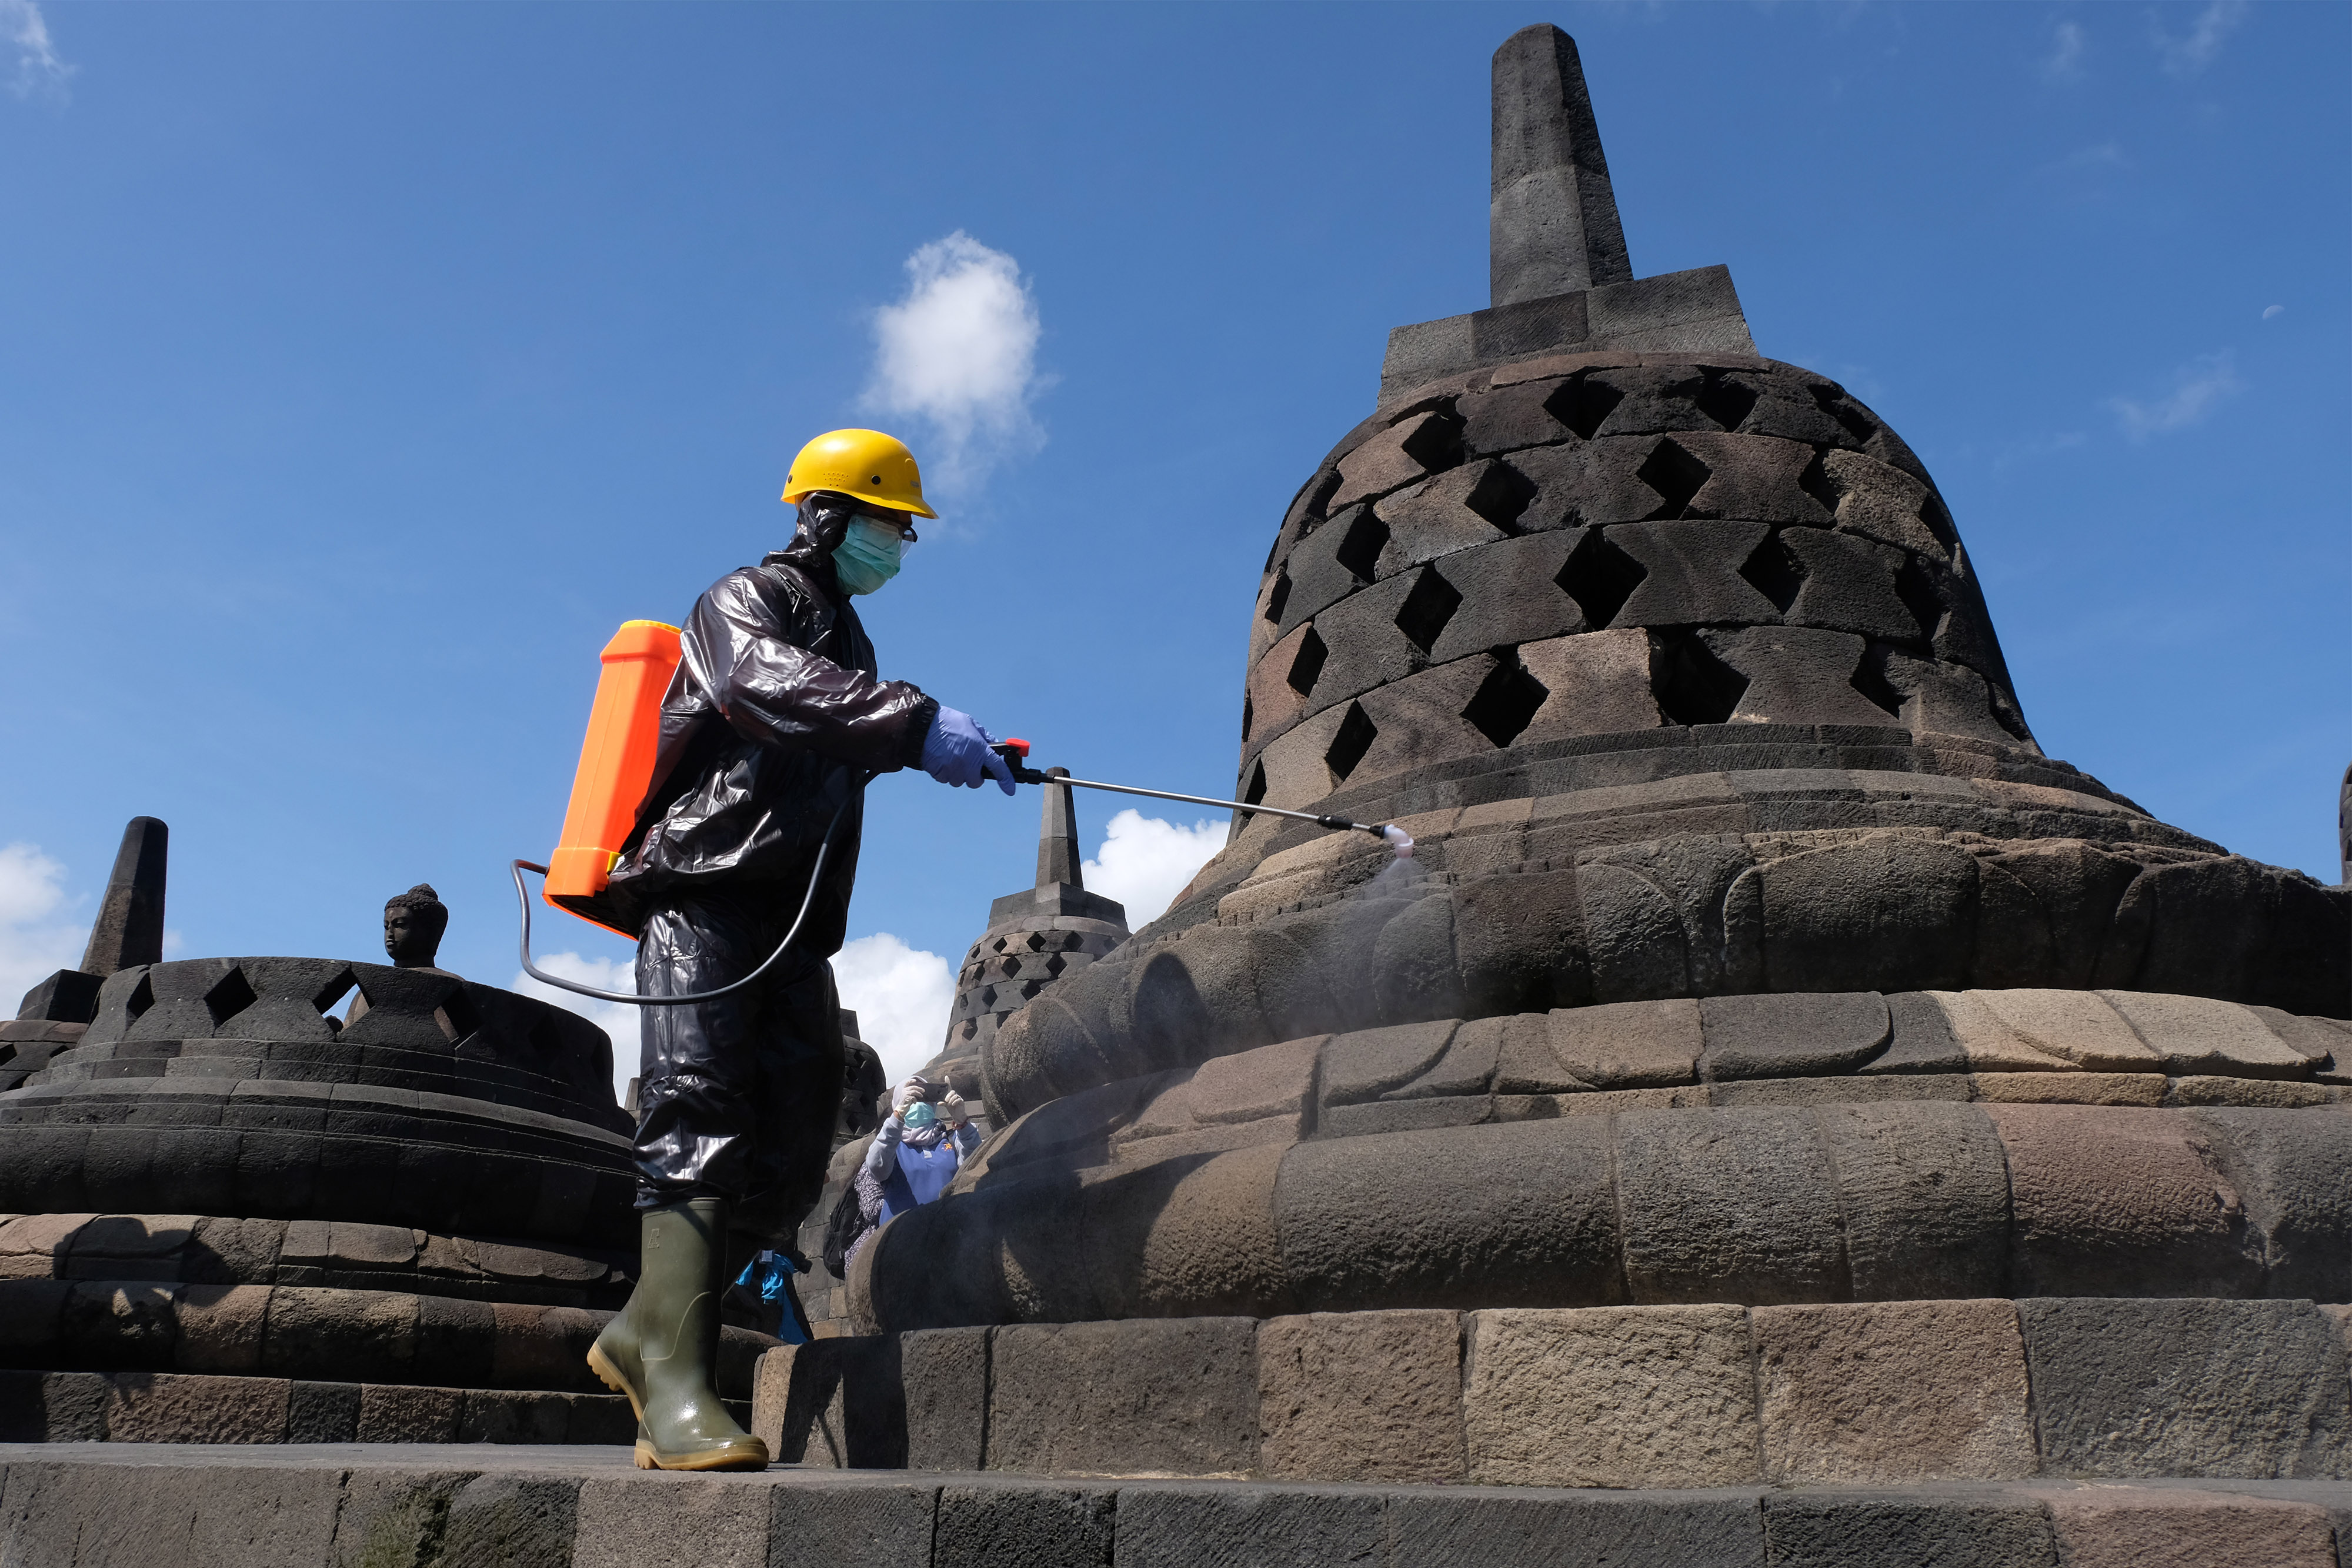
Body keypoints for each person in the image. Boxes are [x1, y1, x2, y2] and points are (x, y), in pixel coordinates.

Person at [582, 429, 1015, 1472]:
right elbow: (756, 686)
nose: (899, 543)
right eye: (887, 521)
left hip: (787, 922)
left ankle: (644, 1333)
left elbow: (832, 731)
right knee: (696, 1102)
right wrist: (912, 726)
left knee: (789, 1138)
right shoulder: (744, 601)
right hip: (705, 892)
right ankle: (675, 1386)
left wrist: (943, 750)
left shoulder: (851, 645)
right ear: (826, 514)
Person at [844, 1080, 980, 1276]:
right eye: (913, 1099)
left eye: (925, 1098)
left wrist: (962, 1121)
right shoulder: (891, 1145)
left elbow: (974, 1164)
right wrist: (898, 1116)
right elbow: (876, 1166)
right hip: (899, 1246)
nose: (919, 1104)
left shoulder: (948, 1139)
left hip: (949, 1243)